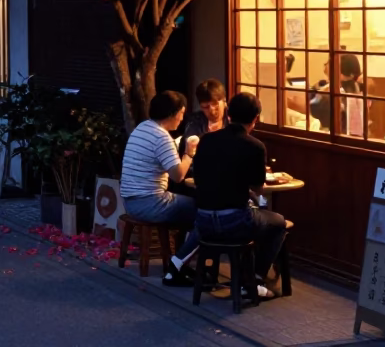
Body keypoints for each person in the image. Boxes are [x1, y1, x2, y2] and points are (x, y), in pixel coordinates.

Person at [192, 91, 287, 299]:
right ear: (255, 118)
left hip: (202, 221)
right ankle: (255, 279)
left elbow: (198, 177)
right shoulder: (255, 146)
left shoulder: (206, 141)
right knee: (278, 223)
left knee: (257, 217)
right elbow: (258, 187)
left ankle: (247, 277)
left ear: (228, 115)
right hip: (235, 222)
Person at [120, 90, 201, 286]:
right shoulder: (161, 137)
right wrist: (189, 154)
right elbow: (178, 176)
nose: (182, 119)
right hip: (150, 203)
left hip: (131, 201)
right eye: (181, 113)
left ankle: (180, 260)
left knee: (191, 209)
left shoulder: (143, 128)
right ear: (173, 113)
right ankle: (178, 265)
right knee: (206, 212)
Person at [178, 78, 227, 157]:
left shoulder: (233, 118)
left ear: (224, 101)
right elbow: (187, 152)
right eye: (206, 107)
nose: (212, 111)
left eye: (215, 104)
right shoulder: (195, 122)